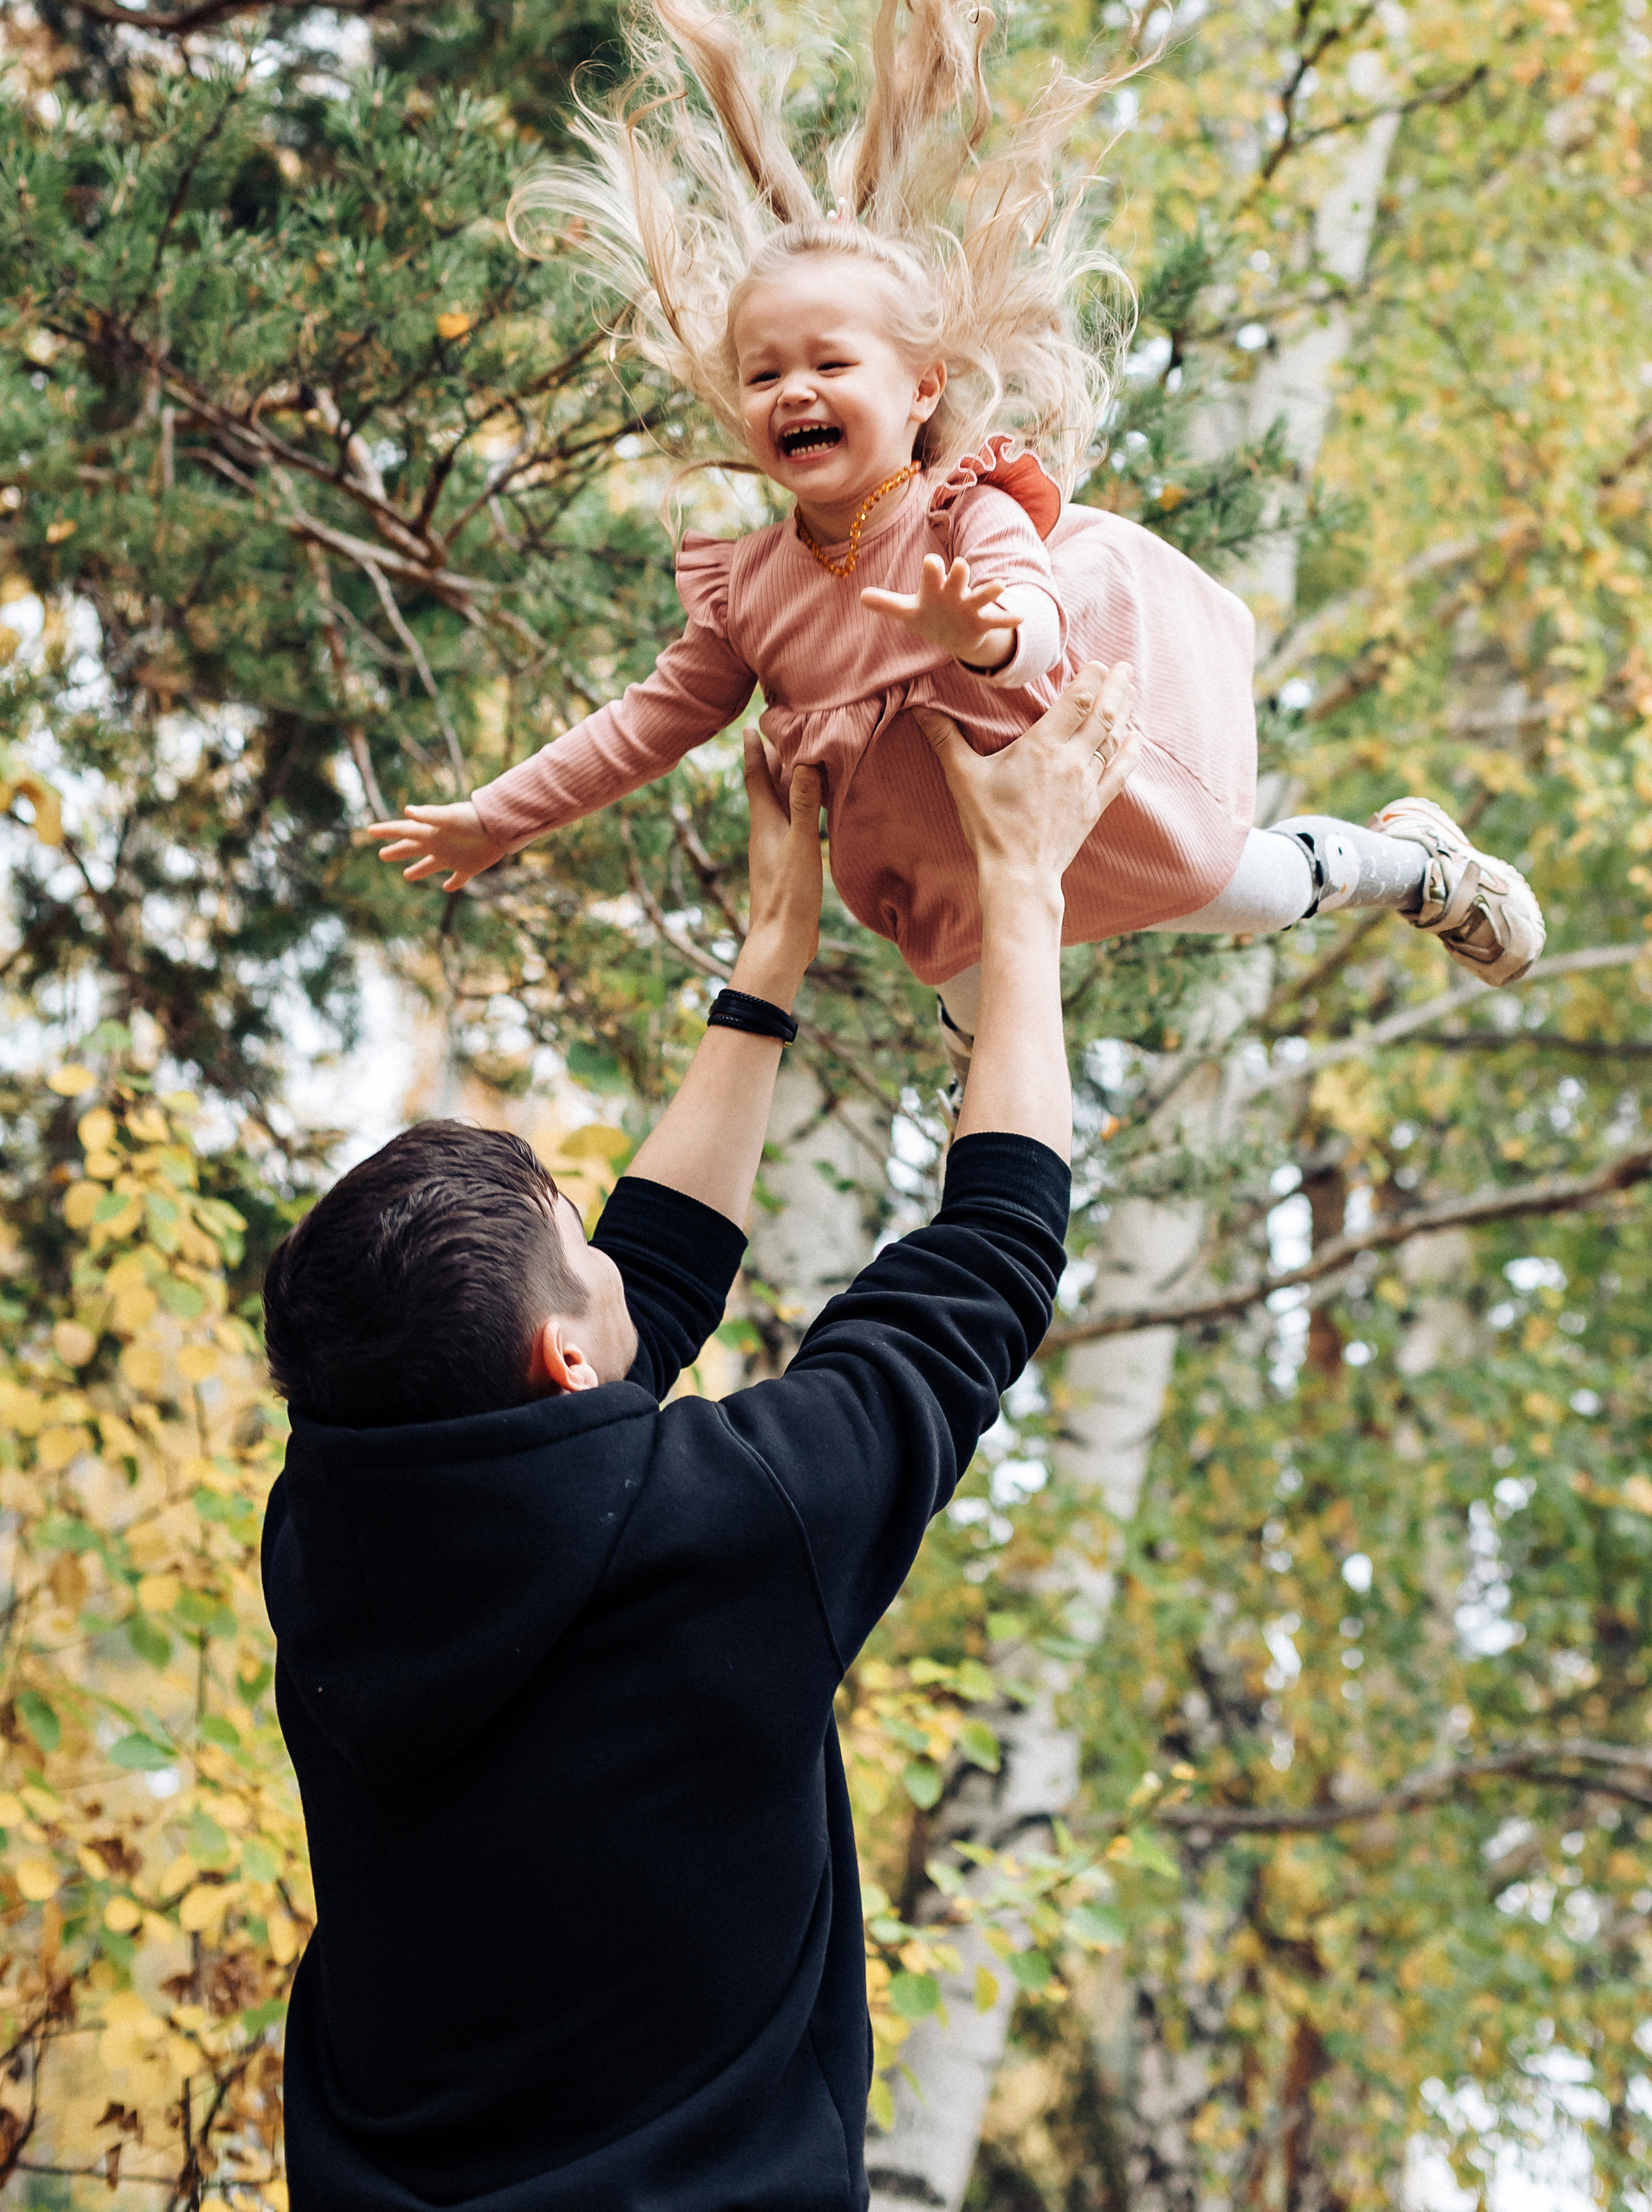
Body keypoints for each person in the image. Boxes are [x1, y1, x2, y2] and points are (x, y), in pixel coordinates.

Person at [360, 0, 1543, 1086]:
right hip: (952, 873)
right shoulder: (746, 592)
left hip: (1089, 796)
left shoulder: (964, 508)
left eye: (830, 365)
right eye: (763, 373)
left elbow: (1036, 621)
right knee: (983, 1012)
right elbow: (642, 725)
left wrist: (982, 634)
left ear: (921, 388)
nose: (792, 390)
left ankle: (1412, 867)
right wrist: (497, 816)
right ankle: (985, 1087)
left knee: (1254, 887)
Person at [262, 668, 1141, 2211]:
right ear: (561, 1357)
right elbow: (989, 1261)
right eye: (582, 1250)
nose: (616, 1263)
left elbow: (625, 1316)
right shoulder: (727, 1538)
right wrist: (1023, 890)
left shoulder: (340, 1533)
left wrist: (771, 952)